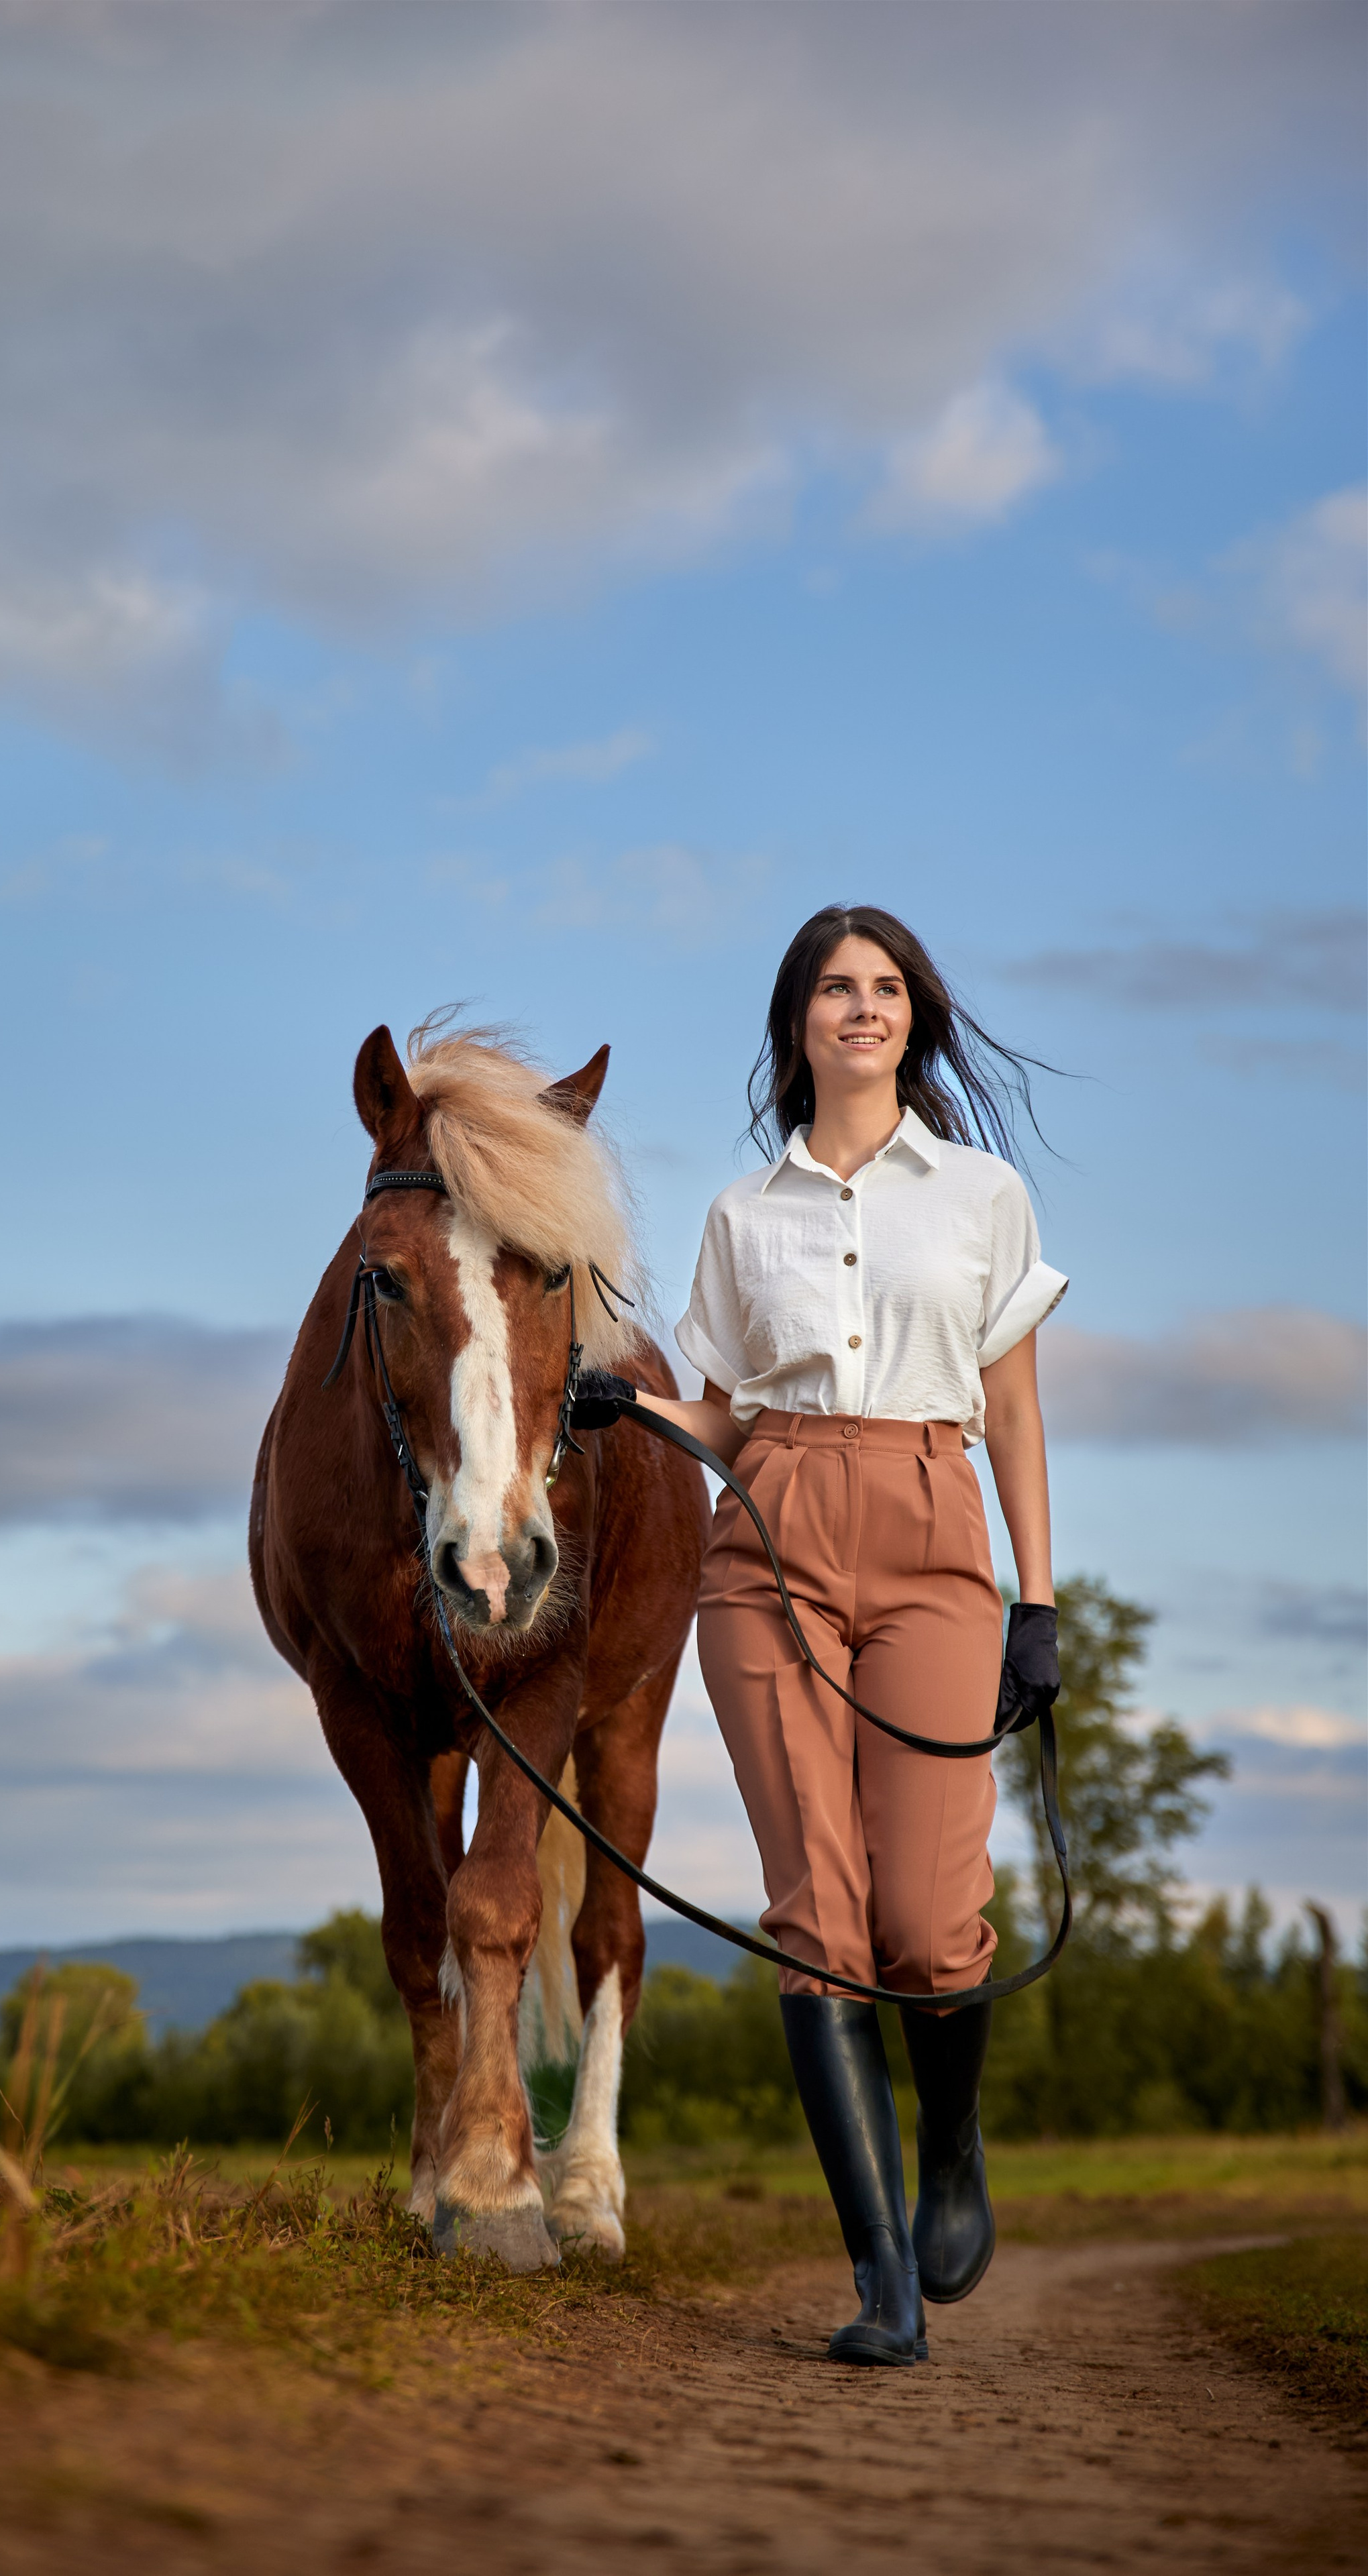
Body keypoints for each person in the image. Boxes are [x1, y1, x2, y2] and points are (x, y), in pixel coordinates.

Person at [574, 904, 1065, 2366]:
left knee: (924, 1927)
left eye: (887, 988)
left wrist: (1036, 1606)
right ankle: (879, 2288)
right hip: (768, 1539)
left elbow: (1017, 1412)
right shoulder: (744, 1214)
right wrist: (636, 1407)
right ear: (797, 1020)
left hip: (930, 1530)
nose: (864, 1008)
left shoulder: (980, 1195)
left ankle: (953, 2142)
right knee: (820, 1924)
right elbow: (724, 1415)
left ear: (912, 1017)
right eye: (837, 989)